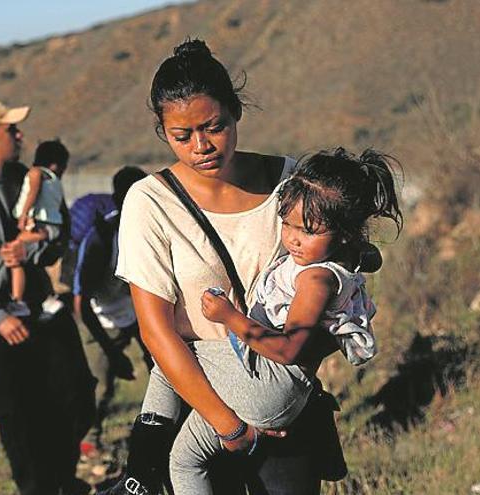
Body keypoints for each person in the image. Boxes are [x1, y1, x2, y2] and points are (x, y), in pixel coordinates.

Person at [103, 40, 352, 494]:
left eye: (213, 126)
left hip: (279, 400)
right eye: (182, 136)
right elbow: (156, 331)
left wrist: (288, 376)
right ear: (163, 132)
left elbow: (327, 282)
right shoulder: (150, 201)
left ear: (236, 111)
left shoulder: (289, 182)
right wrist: (229, 428)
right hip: (200, 410)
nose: (201, 146)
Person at [139, 147, 401, 494]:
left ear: (342, 233)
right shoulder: (326, 258)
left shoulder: (315, 279)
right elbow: (365, 255)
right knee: (185, 458)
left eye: (307, 230)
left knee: (174, 358)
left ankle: (139, 465)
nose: (292, 238)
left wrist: (230, 318)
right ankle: (143, 461)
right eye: (288, 224)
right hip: (270, 383)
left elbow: (289, 348)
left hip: (271, 381)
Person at [0, 97, 96, 495]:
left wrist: (32, 247)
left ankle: (63, 476)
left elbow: (57, 237)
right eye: (12, 130)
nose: (20, 136)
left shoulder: (26, 179)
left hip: (41, 311)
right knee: (18, 419)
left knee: (75, 397)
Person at [73, 166, 155, 450]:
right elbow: (80, 304)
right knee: (100, 387)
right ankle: (88, 445)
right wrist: (112, 352)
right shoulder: (99, 240)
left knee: (163, 370)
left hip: (135, 314)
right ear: (121, 198)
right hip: (102, 319)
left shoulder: (146, 231)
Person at [9, 139, 69, 317]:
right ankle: (49, 296)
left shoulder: (36, 173)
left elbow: (33, 191)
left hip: (42, 227)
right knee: (32, 261)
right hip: (52, 228)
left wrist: (24, 214)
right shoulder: (55, 181)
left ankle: (17, 300)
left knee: (15, 254)